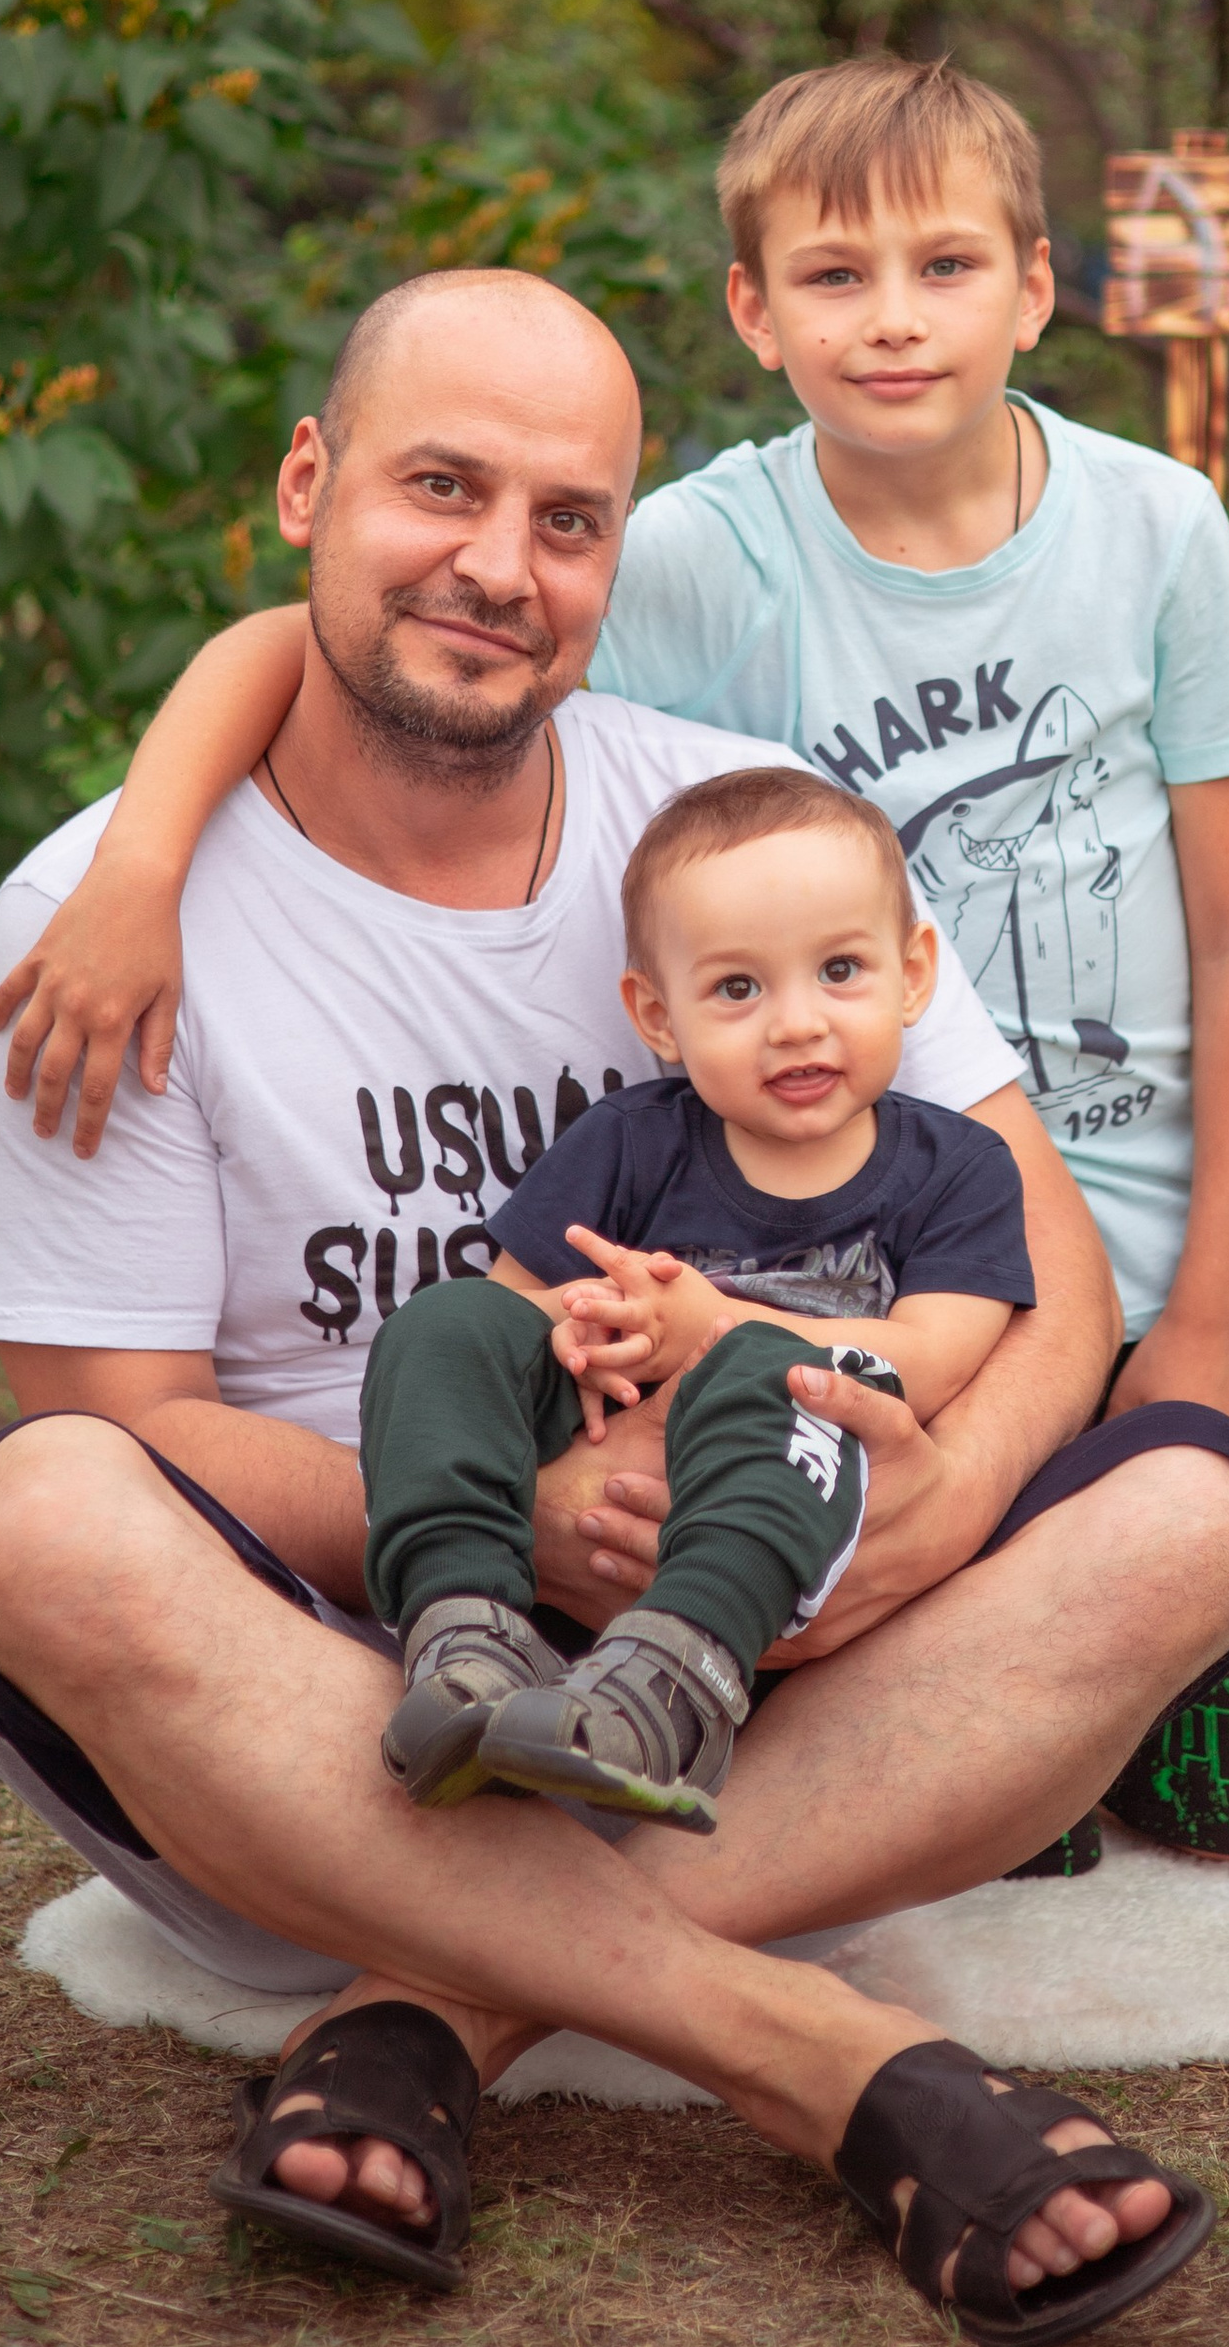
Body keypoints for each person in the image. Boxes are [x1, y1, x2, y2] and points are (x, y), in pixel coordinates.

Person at [0, 263, 1229, 2347]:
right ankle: (827, 2062)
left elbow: (1053, 1261)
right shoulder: (99, 922)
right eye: (437, 490)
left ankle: (432, 2018)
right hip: (327, 1718)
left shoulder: (727, 834)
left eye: (566, 520)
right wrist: (512, 1515)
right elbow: (129, 1419)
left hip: (741, 1679)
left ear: (612, 557)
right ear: (308, 484)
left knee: (1200, 1510)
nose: (498, 566)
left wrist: (933, 1513)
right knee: (34, 1513)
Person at [12, 59, 1229, 1863]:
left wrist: (1129, 1367)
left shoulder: (1119, 552)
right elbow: (363, 629)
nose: (893, 323)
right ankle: (707, 1824)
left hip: (1061, 1265)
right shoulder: (702, 564)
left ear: (1037, 286)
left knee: (1214, 1637)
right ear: (755, 311)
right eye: (834, 276)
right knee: (108, 1504)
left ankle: (526, 1951)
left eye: (947, 268)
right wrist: (140, 858)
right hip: (725, 1315)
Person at [363, 764, 1034, 1832]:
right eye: (737, 989)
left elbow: (930, 1356)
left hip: (789, 1500)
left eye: (841, 970)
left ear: (914, 977)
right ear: (657, 1014)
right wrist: (596, 1333)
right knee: (442, 1327)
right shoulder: (629, 1141)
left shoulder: (957, 1167)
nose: (796, 1024)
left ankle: (678, 1682)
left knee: (776, 1370)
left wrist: (704, 1329)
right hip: (605, 1466)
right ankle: (464, 1628)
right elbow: (516, 1313)